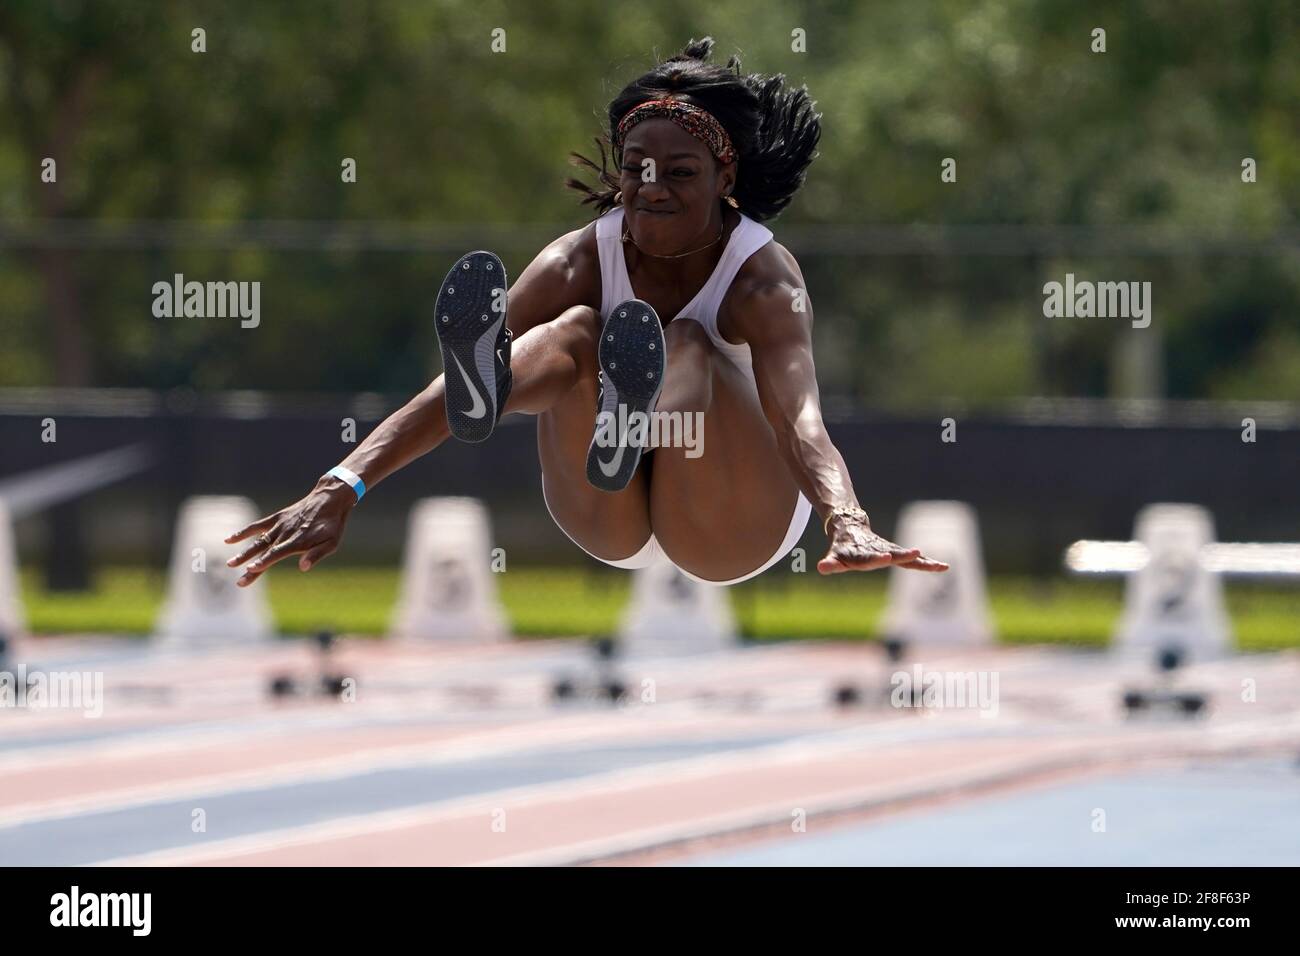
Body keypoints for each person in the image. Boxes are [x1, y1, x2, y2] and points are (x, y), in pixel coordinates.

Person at [226, 37, 948, 588]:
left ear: (726, 177)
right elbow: (441, 395)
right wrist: (341, 484)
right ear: (618, 167)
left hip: (731, 523)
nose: (652, 187)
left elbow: (800, 420)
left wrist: (844, 517)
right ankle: (527, 392)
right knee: (572, 333)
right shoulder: (576, 261)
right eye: (636, 168)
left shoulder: (760, 277)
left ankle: (626, 409)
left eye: (680, 173)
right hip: (608, 509)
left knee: (689, 340)